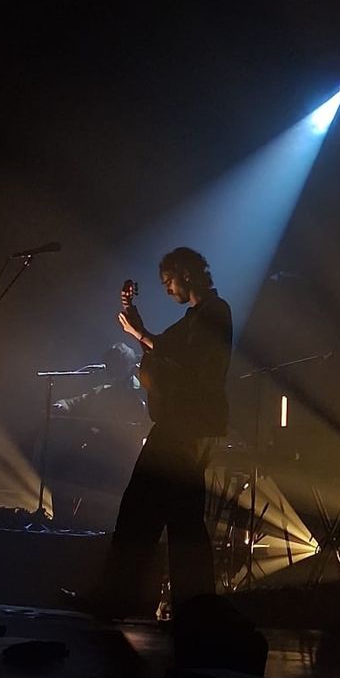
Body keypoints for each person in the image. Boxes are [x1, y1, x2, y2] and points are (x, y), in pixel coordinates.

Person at [78, 247, 232, 620]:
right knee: (182, 520)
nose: (166, 289)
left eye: (168, 281)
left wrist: (144, 336)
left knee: (140, 509)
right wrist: (138, 326)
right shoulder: (195, 316)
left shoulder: (215, 312)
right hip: (187, 426)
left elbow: (186, 359)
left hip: (186, 427)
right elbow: (164, 345)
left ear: (186, 274)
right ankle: (192, 609)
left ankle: (120, 597)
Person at [48, 342, 148, 528]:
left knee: (90, 478)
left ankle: (89, 524)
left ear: (125, 366)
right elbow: (78, 401)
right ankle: (64, 523)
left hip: (119, 462)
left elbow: (138, 430)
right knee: (61, 468)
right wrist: (64, 404)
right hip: (97, 456)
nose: (110, 369)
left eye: (115, 365)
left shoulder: (138, 394)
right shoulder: (104, 391)